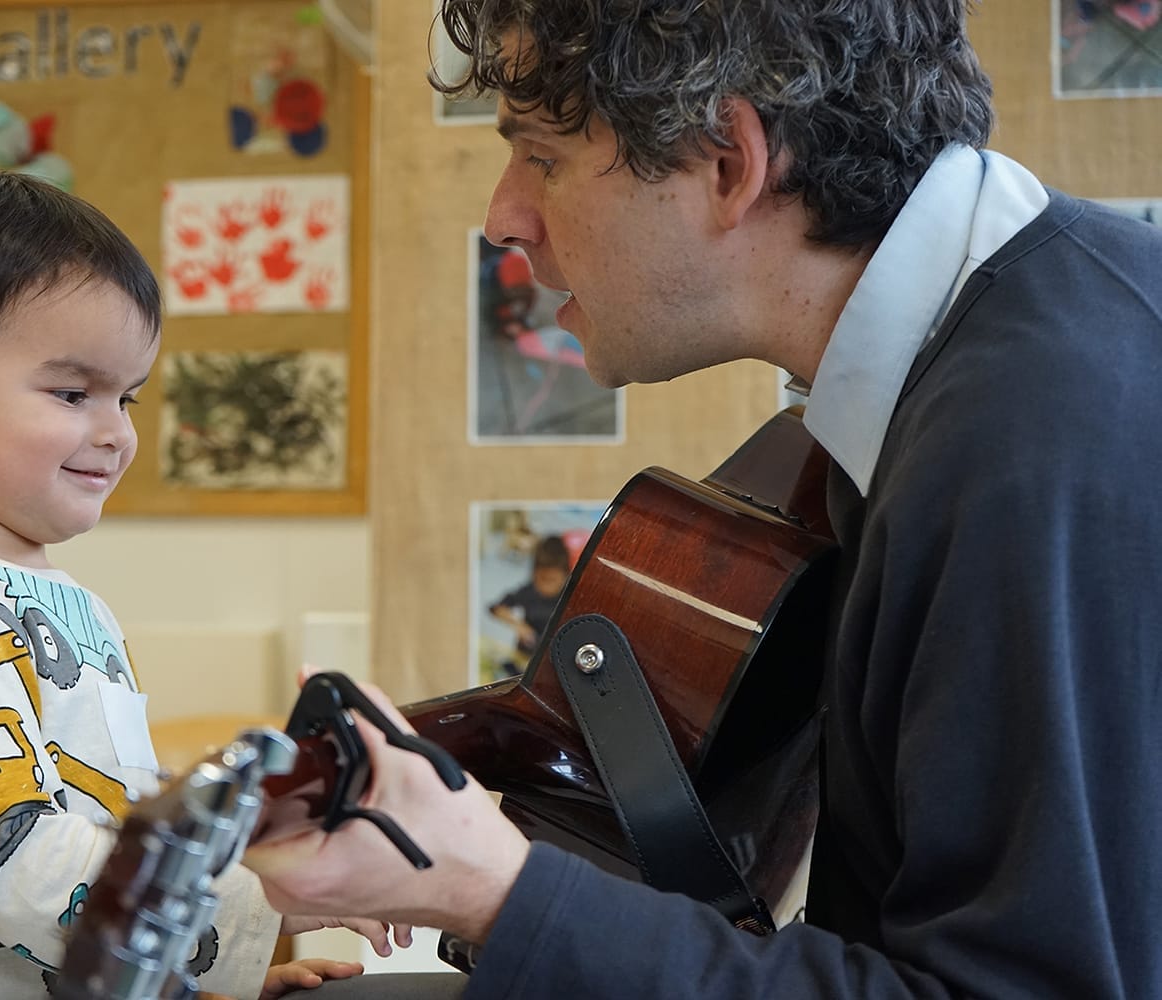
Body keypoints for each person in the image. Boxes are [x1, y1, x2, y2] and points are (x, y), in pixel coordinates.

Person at [246, 1, 1162, 997]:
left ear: (728, 162)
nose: (502, 216)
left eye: (542, 158)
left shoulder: (1027, 444)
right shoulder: (1032, 336)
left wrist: (497, 890)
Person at [0, 169, 403, 999]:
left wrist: (188, 982)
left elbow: (102, 826)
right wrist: (264, 898)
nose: (118, 433)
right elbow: (21, 870)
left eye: (125, 396)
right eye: (72, 392)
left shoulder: (68, 605)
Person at [486, 534, 569, 677]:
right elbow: (495, 608)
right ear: (534, 572)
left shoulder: (571, 595)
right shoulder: (529, 592)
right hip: (527, 659)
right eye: (542, 578)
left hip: (559, 661)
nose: (546, 587)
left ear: (567, 575)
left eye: (553, 580)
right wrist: (519, 626)